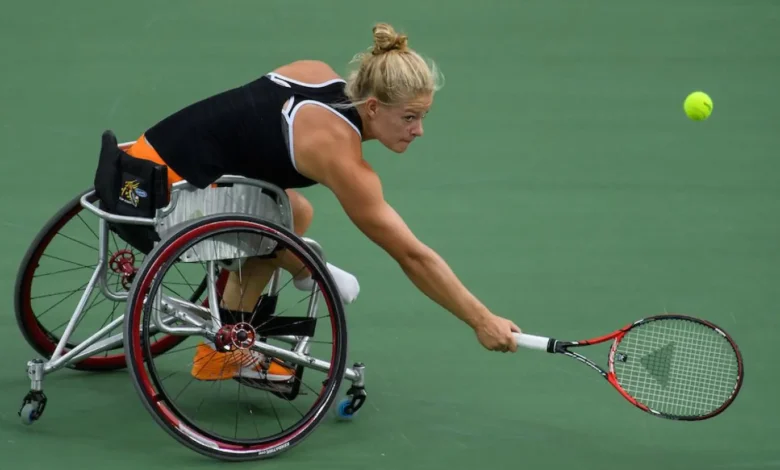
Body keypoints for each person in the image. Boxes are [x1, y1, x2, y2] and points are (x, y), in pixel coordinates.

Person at [122, 23, 522, 383]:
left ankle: (229, 338)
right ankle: (227, 347)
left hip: (133, 171)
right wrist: (481, 320)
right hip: (159, 207)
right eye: (409, 118)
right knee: (279, 226)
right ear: (372, 107)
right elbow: (412, 256)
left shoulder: (312, 72)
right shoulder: (339, 155)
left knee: (295, 211)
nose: (419, 131)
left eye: (423, 117)